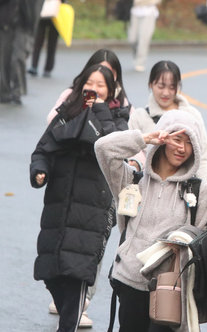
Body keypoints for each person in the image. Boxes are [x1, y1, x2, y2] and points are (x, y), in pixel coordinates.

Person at [95, 110, 207, 331]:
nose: (182, 148)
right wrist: (146, 139)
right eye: (177, 139)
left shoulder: (200, 191)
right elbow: (103, 149)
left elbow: (201, 240)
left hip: (170, 287)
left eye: (190, 143)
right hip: (129, 279)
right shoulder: (132, 180)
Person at [30, 64, 130, 332]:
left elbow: (113, 146)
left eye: (100, 85)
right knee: (50, 273)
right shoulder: (66, 112)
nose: (93, 89)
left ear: (110, 91)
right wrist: (40, 170)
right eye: (89, 83)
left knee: (76, 278)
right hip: (58, 206)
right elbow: (43, 148)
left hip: (90, 211)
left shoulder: (116, 118)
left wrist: (97, 109)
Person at [128, 60, 207, 187]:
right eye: (161, 86)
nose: (166, 93)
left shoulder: (192, 115)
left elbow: (202, 158)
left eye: (172, 87)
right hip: (149, 187)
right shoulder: (139, 116)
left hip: (184, 189)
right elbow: (134, 153)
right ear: (150, 84)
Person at [47, 48, 132, 124]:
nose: (94, 89)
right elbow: (52, 121)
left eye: (109, 73)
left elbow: (127, 133)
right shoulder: (71, 95)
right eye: (99, 69)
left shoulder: (122, 102)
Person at [27, 0, 67, 78]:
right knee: (37, 41)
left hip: (56, 12)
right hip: (42, 12)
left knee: (52, 43)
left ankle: (48, 68)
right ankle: (34, 66)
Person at [128, 0, 161, 72]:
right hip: (136, 11)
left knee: (144, 38)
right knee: (132, 39)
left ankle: (140, 62)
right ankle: (137, 55)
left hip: (149, 12)